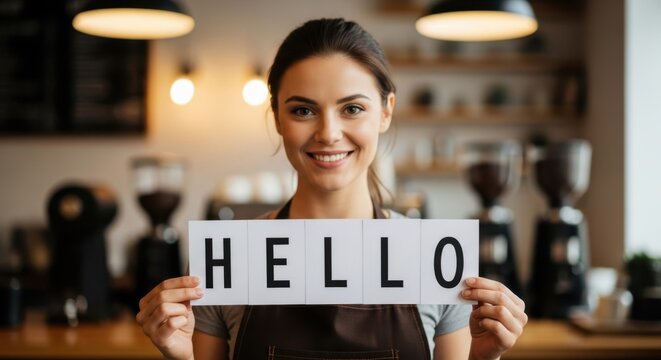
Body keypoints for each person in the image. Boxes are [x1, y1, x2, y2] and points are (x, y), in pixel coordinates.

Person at [136, 18, 527, 360]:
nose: (328, 133)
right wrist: (180, 356)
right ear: (277, 117)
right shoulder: (228, 260)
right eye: (303, 110)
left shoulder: (434, 259)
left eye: (352, 108)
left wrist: (483, 358)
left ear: (386, 111)